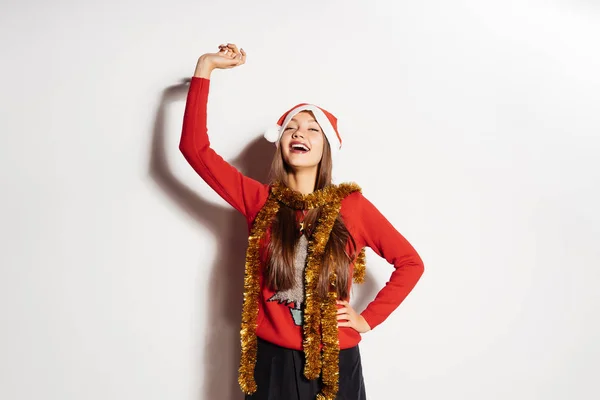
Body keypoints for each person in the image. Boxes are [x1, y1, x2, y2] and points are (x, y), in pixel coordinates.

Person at [179, 43, 425, 400]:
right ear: (279, 143)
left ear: (327, 146)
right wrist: (205, 68)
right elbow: (194, 148)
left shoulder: (352, 207)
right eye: (291, 128)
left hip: (335, 365)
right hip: (270, 363)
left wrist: (367, 319)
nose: (299, 133)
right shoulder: (259, 201)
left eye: (312, 129)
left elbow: (410, 263)